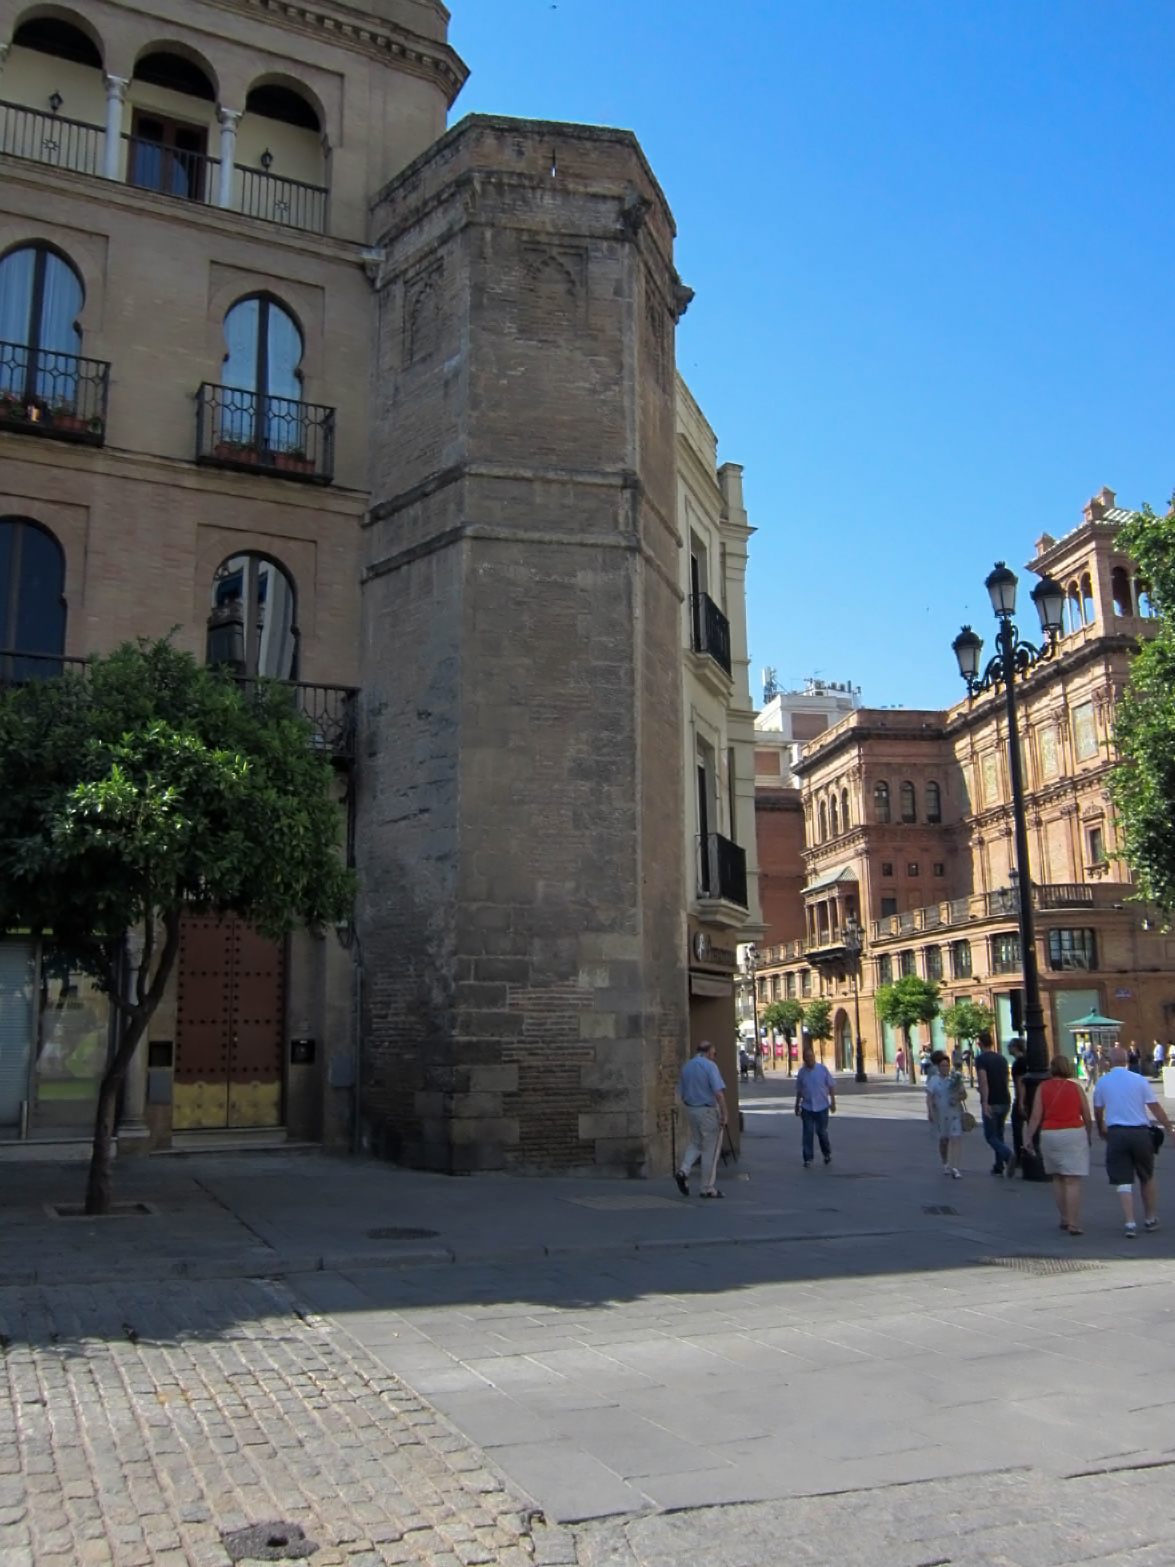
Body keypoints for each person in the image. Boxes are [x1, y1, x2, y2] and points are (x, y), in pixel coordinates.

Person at [1092, 1045, 1174, 1236]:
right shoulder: (1139, 1080)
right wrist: (1169, 1128)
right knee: (1147, 1176)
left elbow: (1098, 1111)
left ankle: (1130, 1223)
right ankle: (1150, 1218)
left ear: (1109, 1062)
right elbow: (1155, 1107)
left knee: (1123, 1180)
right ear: (1127, 1061)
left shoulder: (1103, 1082)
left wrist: (1101, 1129)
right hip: (1140, 1133)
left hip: (1116, 1134)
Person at [1025, 1054, 1093, 1235]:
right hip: (1073, 1133)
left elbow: (1036, 1115)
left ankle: (1063, 1217)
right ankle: (1073, 1222)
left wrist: (1028, 1137)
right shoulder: (1076, 1088)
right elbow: (1086, 1114)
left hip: (1049, 1134)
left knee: (1057, 1178)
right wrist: (1089, 1134)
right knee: (1072, 1180)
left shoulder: (1042, 1087)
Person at [674, 1040, 728, 1199]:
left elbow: (681, 1093)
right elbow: (718, 1092)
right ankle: (707, 1187)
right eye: (714, 1052)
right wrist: (725, 1113)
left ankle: (684, 1170)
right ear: (709, 1051)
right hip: (708, 1110)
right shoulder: (710, 1066)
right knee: (710, 1149)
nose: (714, 1056)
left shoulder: (687, 1066)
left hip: (691, 1109)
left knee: (696, 1142)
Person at [975, 1029, 1014, 1175]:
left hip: (992, 1101)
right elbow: (1005, 1078)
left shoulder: (981, 1060)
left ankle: (1008, 1155)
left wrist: (985, 1102)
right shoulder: (1001, 1058)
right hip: (1004, 1098)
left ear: (979, 1044)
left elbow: (983, 1081)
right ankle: (999, 1165)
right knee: (1000, 1134)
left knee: (991, 1136)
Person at [795, 1044, 837, 1167]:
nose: (809, 1059)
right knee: (807, 1132)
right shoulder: (802, 1072)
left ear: (814, 1056)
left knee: (821, 1132)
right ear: (804, 1059)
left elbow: (831, 1085)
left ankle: (826, 1153)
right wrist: (797, 1104)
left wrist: (833, 1102)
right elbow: (799, 1090)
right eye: (807, 1057)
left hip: (822, 1106)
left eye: (811, 1056)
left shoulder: (822, 1069)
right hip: (807, 1107)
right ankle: (808, 1158)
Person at [926, 1049, 966, 1177]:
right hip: (941, 1113)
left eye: (947, 1066)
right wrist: (931, 1112)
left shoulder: (955, 1078)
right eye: (942, 1066)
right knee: (944, 1140)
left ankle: (956, 1167)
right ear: (938, 1067)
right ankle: (945, 1163)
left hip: (954, 1112)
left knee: (956, 1137)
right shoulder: (934, 1080)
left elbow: (963, 1094)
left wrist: (958, 1097)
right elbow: (930, 1097)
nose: (945, 1068)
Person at [1008, 1038, 1028, 1175]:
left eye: (1010, 1046)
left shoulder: (1018, 1064)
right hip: (1032, 1099)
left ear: (1015, 1047)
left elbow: (1020, 1083)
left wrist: (1020, 1102)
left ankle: (1020, 1157)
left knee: (1017, 1127)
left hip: (1022, 1099)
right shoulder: (1028, 1060)